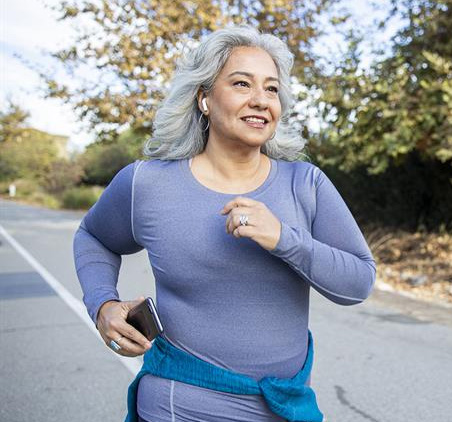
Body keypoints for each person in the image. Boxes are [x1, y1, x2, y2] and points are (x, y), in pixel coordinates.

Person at [73, 26, 376, 422]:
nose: (260, 100)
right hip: (179, 406)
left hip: (285, 407)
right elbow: (94, 236)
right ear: (204, 99)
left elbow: (358, 283)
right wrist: (103, 304)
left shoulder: (306, 183)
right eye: (241, 83)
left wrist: (285, 238)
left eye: (271, 89)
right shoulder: (147, 183)